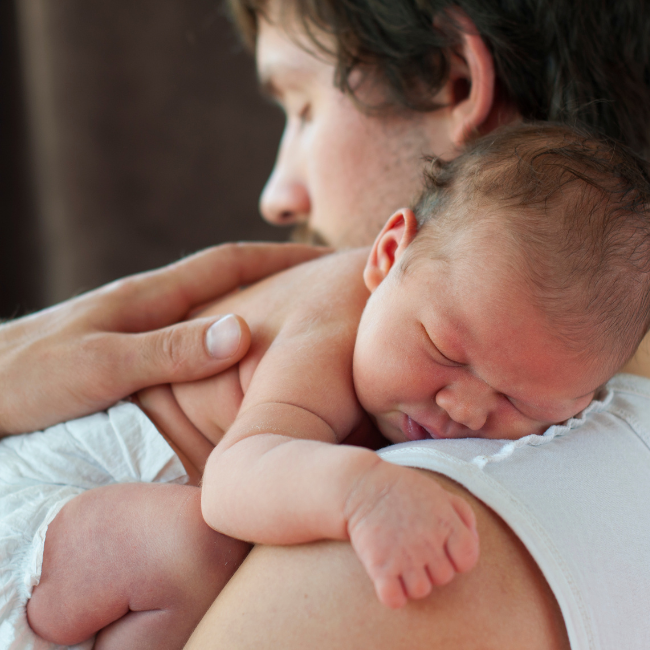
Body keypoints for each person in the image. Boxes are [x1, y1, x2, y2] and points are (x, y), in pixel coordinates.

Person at [2, 0, 650, 648]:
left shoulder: (495, 342)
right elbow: (235, 481)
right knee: (187, 549)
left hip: (109, 547)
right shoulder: (337, 315)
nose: (465, 410)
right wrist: (361, 493)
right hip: (54, 493)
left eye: (521, 400)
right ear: (390, 253)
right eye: (446, 353)